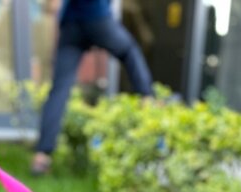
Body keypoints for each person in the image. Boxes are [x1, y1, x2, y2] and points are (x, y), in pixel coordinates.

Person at [31, 0, 154, 175]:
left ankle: (42, 156)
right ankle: (147, 97)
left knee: (59, 89)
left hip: (71, 23)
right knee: (129, 51)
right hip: (97, 16)